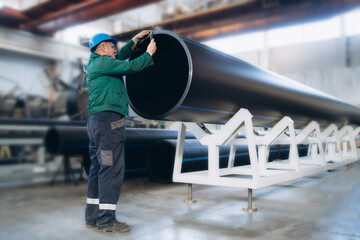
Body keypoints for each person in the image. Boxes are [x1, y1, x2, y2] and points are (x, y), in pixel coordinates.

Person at [85, 31, 156, 233]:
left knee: (98, 169)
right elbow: (130, 66)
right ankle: (107, 220)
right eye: (112, 46)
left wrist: (134, 41)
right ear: (103, 48)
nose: (116, 49)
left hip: (97, 122)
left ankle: (92, 216)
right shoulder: (104, 63)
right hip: (108, 122)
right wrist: (148, 54)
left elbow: (121, 56)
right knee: (110, 169)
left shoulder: (98, 62)